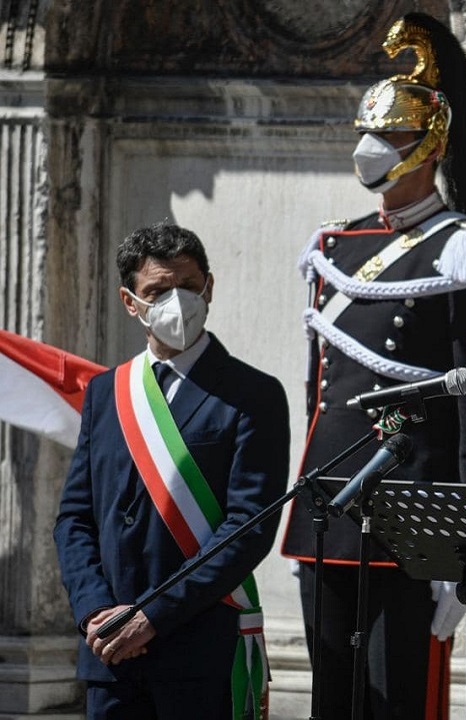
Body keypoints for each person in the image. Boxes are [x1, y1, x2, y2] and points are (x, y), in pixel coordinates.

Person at [280, 12, 466, 720]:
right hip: (330, 503)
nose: (370, 149)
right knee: (335, 701)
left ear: (430, 144)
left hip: (416, 519)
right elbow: (322, 391)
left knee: (398, 704)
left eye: (389, 137)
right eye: (367, 133)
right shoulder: (335, 243)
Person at [53, 222, 290, 720]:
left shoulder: (254, 394)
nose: (178, 302)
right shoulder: (106, 392)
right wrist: (98, 612)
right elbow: (75, 518)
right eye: (159, 291)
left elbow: (248, 529)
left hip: (197, 651)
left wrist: (152, 618)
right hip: (111, 655)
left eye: (188, 286)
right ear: (130, 301)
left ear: (209, 286)